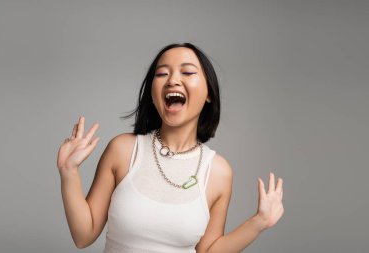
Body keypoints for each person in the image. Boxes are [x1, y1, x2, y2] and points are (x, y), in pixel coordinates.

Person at [56, 42, 284, 253]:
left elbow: (207, 251)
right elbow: (83, 236)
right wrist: (69, 172)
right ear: (153, 95)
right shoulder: (122, 150)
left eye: (187, 72)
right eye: (162, 73)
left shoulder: (218, 171)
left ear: (209, 95)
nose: (173, 80)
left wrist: (259, 222)